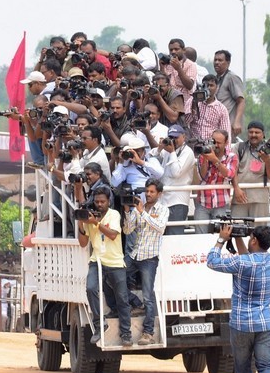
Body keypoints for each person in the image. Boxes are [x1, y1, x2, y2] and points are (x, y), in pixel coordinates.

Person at [206, 223, 270, 373]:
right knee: (267, 365)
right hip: (266, 322)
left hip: (242, 323)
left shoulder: (240, 263)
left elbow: (212, 261)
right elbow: (250, 259)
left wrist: (221, 239)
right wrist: (238, 238)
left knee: (243, 368)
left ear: (254, 240)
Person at [77, 188, 132, 346]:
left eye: (103, 202)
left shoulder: (114, 214)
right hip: (97, 260)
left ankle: (126, 334)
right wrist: (82, 223)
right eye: (97, 202)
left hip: (115, 262)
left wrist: (95, 222)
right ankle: (99, 324)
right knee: (90, 288)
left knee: (122, 298)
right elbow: (83, 243)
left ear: (109, 202)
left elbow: (113, 234)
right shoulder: (90, 217)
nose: (99, 204)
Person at [123, 179, 168, 344]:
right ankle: (134, 302)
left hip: (149, 258)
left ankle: (148, 333)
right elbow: (127, 230)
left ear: (159, 194)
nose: (148, 194)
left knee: (149, 296)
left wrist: (142, 212)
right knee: (111, 277)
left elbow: (160, 228)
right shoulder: (139, 208)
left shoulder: (163, 209)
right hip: (135, 255)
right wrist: (128, 212)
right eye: (147, 191)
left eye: (152, 192)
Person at [231, 121, 270, 221]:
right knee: (237, 230)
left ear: (263, 134)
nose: (253, 135)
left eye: (257, 132)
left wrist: (267, 161)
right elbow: (232, 170)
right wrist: (236, 189)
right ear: (247, 133)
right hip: (240, 196)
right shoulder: (238, 147)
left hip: (260, 198)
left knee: (258, 232)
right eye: (251, 132)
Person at [158, 124, 196, 235]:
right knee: (161, 236)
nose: (173, 140)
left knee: (174, 235)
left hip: (177, 201)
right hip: (163, 200)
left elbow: (176, 173)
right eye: (171, 137)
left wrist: (173, 152)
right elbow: (156, 169)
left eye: (176, 137)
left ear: (183, 137)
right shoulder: (166, 150)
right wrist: (159, 148)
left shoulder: (188, 152)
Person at [194, 129, 237, 223]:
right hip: (203, 201)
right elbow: (201, 177)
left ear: (226, 143)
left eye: (218, 143)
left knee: (219, 234)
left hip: (221, 203)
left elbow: (229, 175)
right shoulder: (203, 154)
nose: (215, 145)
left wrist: (215, 160)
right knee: (200, 236)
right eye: (213, 141)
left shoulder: (231, 156)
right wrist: (206, 158)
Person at [213, 49, 246, 136]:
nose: (216, 62)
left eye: (220, 60)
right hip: (216, 124)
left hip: (228, 125)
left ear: (228, 63)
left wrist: (237, 122)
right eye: (215, 60)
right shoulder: (215, 79)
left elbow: (241, 101)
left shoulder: (232, 77)